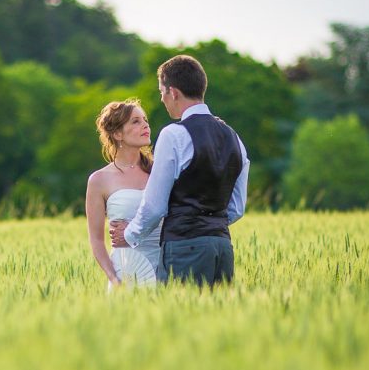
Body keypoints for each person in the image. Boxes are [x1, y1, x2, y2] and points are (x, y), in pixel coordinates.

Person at [110, 55, 249, 286]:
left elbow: (155, 206)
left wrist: (129, 234)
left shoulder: (174, 134)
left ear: (173, 92)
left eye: (162, 92)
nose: (163, 99)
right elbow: (236, 208)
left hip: (185, 248)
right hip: (222, 248)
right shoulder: (234, 136)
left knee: (181, 319)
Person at [85, 99, 162, 290]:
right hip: (127, 272)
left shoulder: (161, 172)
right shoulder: (99, 180)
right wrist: (114, 279)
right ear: (117, 133)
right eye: (135, 121)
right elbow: (96, 240)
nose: (146, 125)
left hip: (166, 269)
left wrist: (133, 229)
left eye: (145, 120)